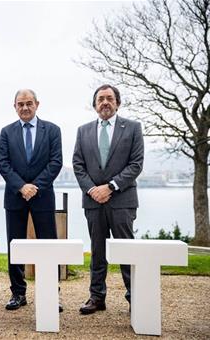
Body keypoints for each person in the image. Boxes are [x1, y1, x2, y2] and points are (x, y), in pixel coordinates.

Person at [72, 84, 144, 314]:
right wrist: (93, 190)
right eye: (100, 99)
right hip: (93, 202)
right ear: (94, 105)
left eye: (109, 98)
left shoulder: (132, 128)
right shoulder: (83, 131)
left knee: (126, 251)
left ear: (117, 103)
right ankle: (97, 298)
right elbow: (78, 164)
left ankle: (136, 297)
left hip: (122, 200)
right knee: (97, 250)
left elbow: (136, 164)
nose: (105, 102)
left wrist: (111, 187)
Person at [0, 89, 63, 311]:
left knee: (49, 246)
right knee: (14, 246)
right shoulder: (6, 132)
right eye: (20, 104)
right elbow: (3, 164)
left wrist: (34, 187)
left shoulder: (52, 130)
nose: (24, 107)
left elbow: (56, 162)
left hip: (43, 196)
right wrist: (21, 186)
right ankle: (18, 293)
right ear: (14, 106)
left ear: (37, 104)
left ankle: (52, 294)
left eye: (28, 103)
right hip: (15, 197)